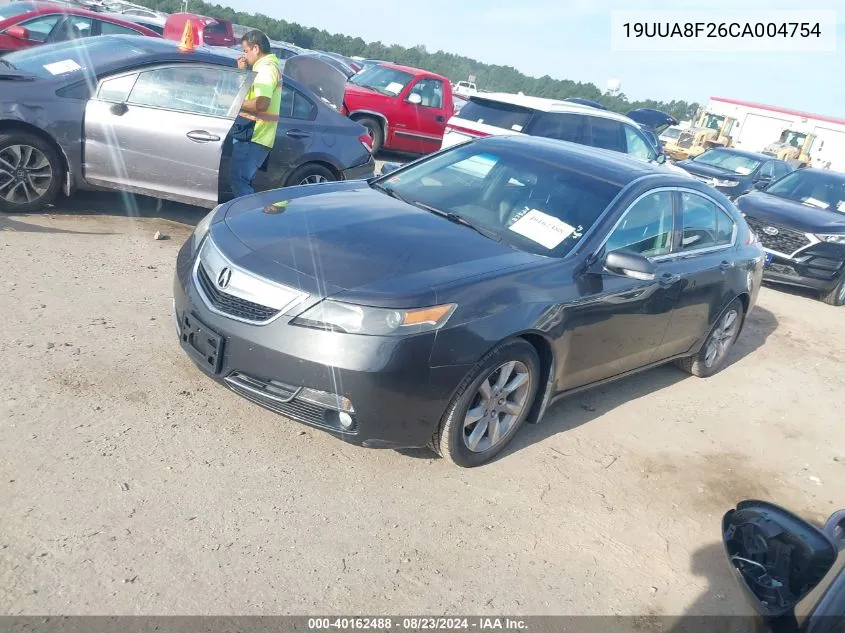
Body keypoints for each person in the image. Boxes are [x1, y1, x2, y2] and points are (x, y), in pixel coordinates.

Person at [230, 29, 282, 199]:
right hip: (253, 134)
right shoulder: (262, 68)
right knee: (242, 180)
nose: (244, 55)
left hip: (254, 134)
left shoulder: (266, 70)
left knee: (239, 180)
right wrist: (242, 73)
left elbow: (261, 103)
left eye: (246, 50)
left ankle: (247, 220)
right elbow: (248, 93)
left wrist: (233, 103)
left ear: (256, 49)